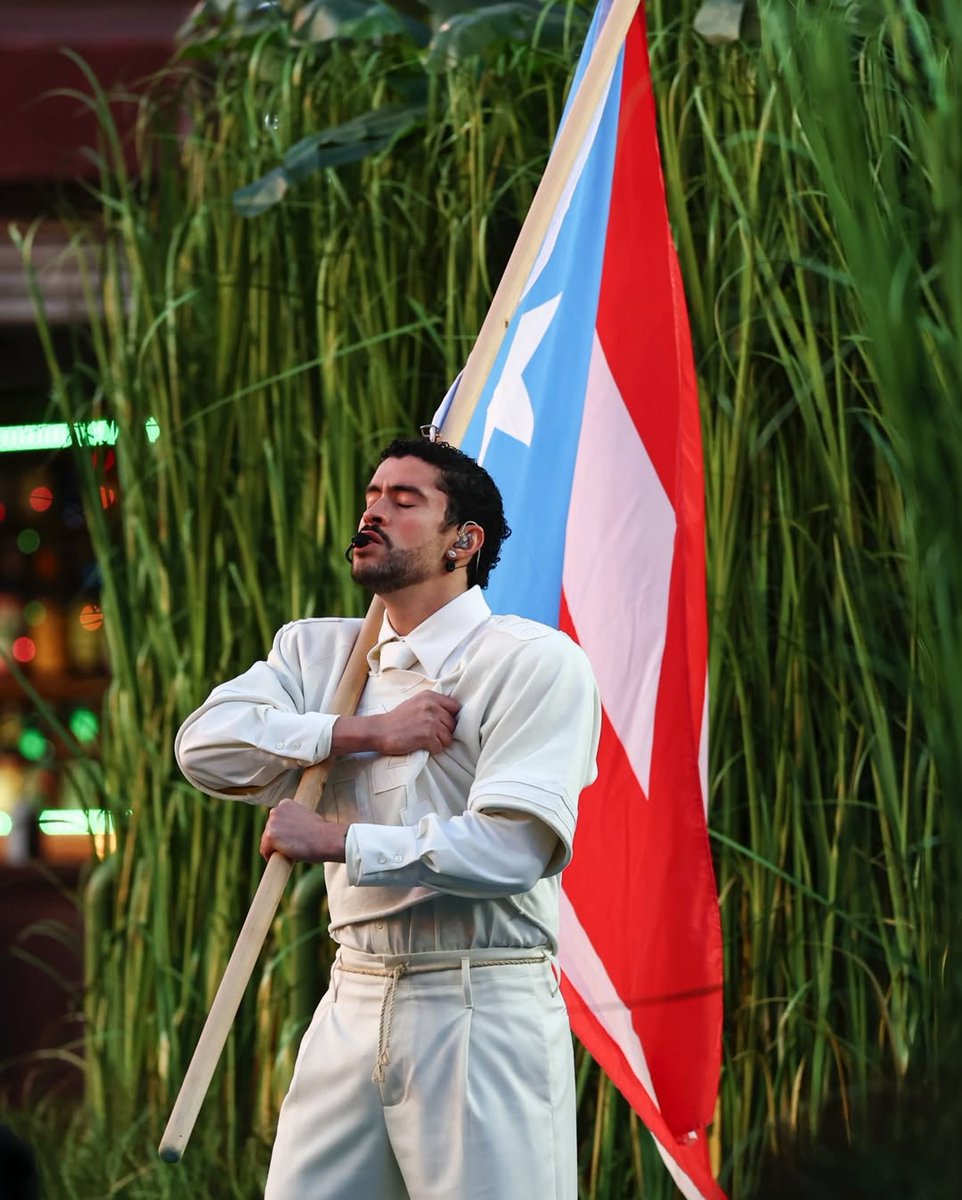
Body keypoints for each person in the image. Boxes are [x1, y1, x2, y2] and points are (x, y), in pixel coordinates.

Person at [175, 436, 601, 1200]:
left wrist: (338, 840)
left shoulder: (532, 661)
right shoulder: (316, 655)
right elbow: (203, 747)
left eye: (405, 501)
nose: (373, 511)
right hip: (351, 992)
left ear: (463, 542)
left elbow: (513, 850)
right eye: (373, 495)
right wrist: (360, 732)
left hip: (479, 1003)